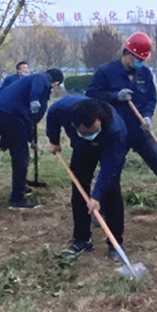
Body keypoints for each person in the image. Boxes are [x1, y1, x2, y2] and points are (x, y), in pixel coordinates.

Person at [86, 32, 157, 211]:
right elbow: (91, 95)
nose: (140, 62)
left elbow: (150, 99)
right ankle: (103, 209)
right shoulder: (105, 71)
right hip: (115, 131)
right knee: (111, 170)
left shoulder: (144, 73)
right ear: (127, 53)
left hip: (139, 130)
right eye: (138, 58)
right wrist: (115, 96)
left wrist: (147, 117)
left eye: (143, 59)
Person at [47, 96, 129, 260]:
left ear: (98, 121)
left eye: (91, 132)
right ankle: (82, 239)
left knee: (111, 191)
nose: (89, 135)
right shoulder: (63, 109)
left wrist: (97, 196)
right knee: (79, 189)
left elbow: (110, 166)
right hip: (82, 148)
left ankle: (115, 244)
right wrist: (54, 140)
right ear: (73, 124)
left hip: (109, 147)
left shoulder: (116, 131)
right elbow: (52, 115)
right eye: (83, 132)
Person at [0, 68, 63, 209]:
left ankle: (21, 185)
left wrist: (31, 139)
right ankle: (17, 198)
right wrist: (35, 100)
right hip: (10, 115)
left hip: (3, 113)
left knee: (19, 151)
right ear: (56, 82)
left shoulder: (29, 82)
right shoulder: (42, 78)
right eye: (56, 86)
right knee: (21, 155)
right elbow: (36, 91)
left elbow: (29, 119)